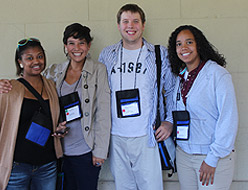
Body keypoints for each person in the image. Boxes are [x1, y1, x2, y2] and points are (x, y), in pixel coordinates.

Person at [0, 23, 111, 190]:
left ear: (89, 45)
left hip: (86, 150)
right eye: (71, 43)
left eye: (81, 43)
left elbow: (103, 111)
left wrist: (100, 150)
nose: (76, 48)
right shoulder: (54, 71)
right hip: (58, 150)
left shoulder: (98, 70)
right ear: (65, 46)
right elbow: (29, 86)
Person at [98, 4, 176, 190]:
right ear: (118, 25)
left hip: (147, 135)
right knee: (123, 186)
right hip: (116, 136)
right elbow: (98, 92)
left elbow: (173, 90)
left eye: (135, 21)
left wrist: (169, 121)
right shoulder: (107, 55)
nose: (130, 26)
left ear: (143, 25)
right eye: (125, 21)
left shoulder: (158, 54)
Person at [0, 38, 62, 190]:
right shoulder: (8, 89)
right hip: (16, 167)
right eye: (29, 58)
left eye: (40, 56)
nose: (36, 61)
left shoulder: (51, 87)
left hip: (47, 166)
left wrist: (59, 130)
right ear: (20, 62)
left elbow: (53, 120)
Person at [168, 25, 238, 190]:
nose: (184, 47)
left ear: (198, 45)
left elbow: (228, 119)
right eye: (178, 44)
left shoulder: (217, 74)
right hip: (184, 155)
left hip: (212, 157)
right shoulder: (181, 77)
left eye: (189, 42)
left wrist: (212, 159)